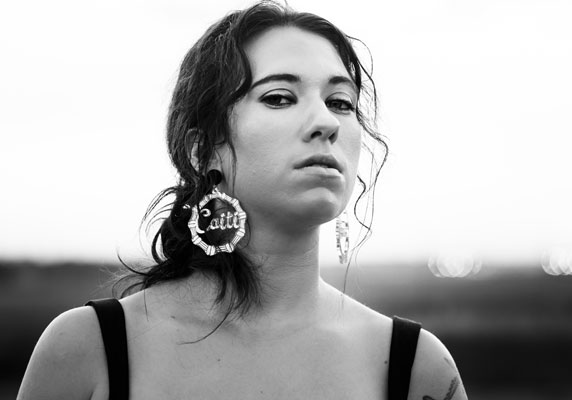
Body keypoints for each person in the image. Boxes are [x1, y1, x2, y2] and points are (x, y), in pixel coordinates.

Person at [18, 1, 468, 399]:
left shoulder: (415, 367)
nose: (327, 122)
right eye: (279, 97)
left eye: (341, 102)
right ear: (203, 150)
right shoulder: (89, 349)